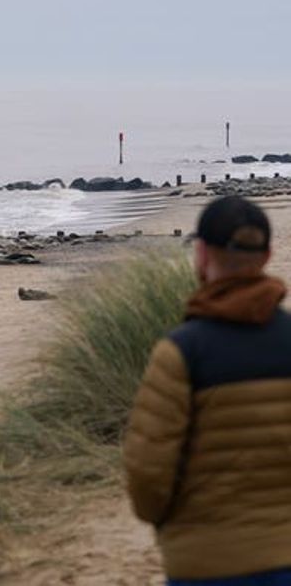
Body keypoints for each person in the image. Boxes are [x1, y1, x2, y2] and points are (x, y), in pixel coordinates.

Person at [124, 195, 291, 586]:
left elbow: (147, 476)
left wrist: (168, 522)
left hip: (206, 562)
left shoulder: (181, 351)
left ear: (201, 255)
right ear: (266, 256)